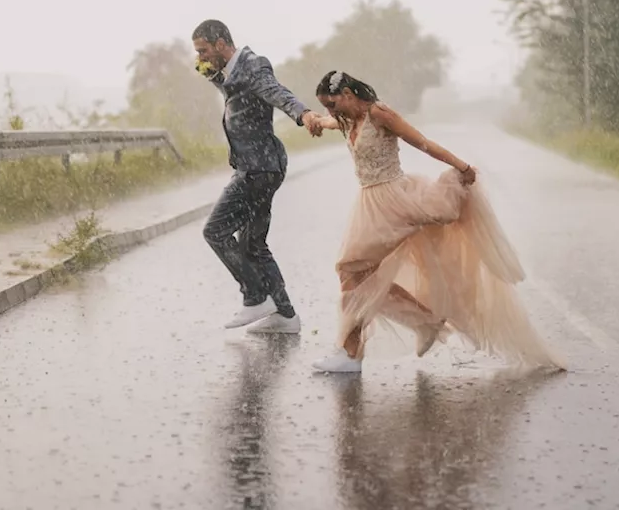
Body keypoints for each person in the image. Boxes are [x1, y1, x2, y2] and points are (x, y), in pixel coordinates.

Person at [305, 70, 565, 373]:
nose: (330, 111)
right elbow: (327, 121)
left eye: (333, 104)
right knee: (360, 276)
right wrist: (314, 119)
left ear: (348, 95)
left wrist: (462, 166)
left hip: (392, 201)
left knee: (351, 270)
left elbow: (422, 142)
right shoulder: (347, 119)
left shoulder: (379, 113)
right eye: (326, 106)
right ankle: (421, 322)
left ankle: (352, 354)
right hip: (368, 202)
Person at [191, 19, 324, 334]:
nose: (201, 58)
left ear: (222, 43)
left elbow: (276, 92)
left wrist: (303, 114)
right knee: (253, 245)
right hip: (262, 166)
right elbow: (236, 92)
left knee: (216, 232)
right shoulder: (233, 71)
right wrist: (211, 75)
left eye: (204, 51)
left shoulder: (253, 65)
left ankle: (255, 296)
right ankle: (286, 315)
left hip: (257, 169)